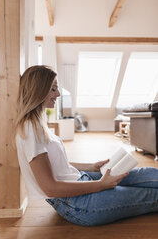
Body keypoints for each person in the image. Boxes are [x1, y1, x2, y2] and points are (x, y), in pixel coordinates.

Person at [15, 65, 158, 227]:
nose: (58, 94)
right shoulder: (29, 129)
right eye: (53, 88)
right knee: (149, 195)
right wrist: (99, 185)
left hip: (79, 180)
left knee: (145, 173)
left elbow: (56, 165)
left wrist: (92, 166)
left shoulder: (37, 125)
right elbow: (50, 188)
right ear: (38, 90)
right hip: (79, 204)